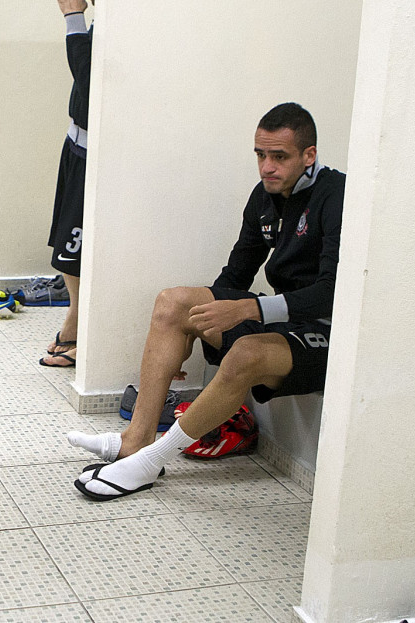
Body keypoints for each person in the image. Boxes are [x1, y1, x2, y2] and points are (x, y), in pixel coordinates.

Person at [66, 103, 345, 500]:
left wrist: (250, 309)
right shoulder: (265, 196)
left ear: (309, 155)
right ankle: (137, 440)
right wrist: (198, 327)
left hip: (325, 330)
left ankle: (151, 462)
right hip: (281, 318)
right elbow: (236, 275)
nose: (267, 166)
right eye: (260, 155)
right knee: (173, 303)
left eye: (279, 157)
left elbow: (331, 293)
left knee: (248, 352)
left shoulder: (337, 196)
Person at [39, 0, 97, 368]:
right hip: (75, 143)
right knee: (65, 242)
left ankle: (78, 328)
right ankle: (75, 320)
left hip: (95, 149)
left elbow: (89, 78)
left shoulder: (119, 18)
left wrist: (72, 17)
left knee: (75, 246)